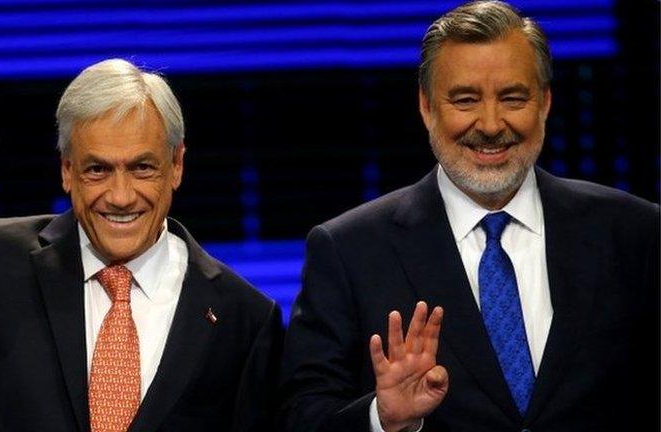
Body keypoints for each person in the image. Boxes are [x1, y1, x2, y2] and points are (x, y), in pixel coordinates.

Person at [279, 1, 660, 431]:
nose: (492, 124)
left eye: (513, 98)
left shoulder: (634, 232)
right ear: (426, 107)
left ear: (545, 103)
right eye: (465, 99)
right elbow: (301, 416)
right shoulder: (349, 250)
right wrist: (382, 418)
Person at [0, 58, 283, 431]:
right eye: (98, 169)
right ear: (67, 170)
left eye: (141, 168)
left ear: (176, 165)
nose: (120, 196)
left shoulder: (243, 318)